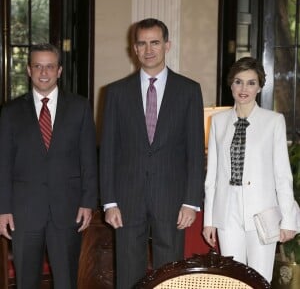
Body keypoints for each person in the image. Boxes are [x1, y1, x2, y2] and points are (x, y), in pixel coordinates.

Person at [100, 18, 205, 289]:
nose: (149, 49)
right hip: (126, 200)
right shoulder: (115, 93)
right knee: (127, 272)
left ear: (167, 45)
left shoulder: (189, 91)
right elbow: (108, 152)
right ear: (134, 48)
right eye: (142, 43)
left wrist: (191, 201)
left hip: (171, 199)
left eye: (155, 42)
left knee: (169, 274)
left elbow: (195, 151)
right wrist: (109, 202)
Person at [0, 43, 98, 289]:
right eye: (38, 66)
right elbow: (3, 163)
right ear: (29, 70)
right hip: (24, 213)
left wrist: (88, 202)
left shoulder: (80, 107)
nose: (44, 72)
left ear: (60, 70)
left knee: (67, 281)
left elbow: (89, 159)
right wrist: (3, 209)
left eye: (50, 67)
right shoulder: (10, 112)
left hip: (67, 211)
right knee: (26, 282)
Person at [202, 56, 298, 282]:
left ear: (260, 86)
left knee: (259, 278)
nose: (243, 88)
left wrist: (289, 220)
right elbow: (212, 176)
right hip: (227, 211)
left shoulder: (273, 121)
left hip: (262, 212)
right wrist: (209, 220)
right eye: (238, 81)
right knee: (231, 277)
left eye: (251, 82)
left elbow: (282, 175)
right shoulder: (217, 121)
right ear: (231, 84)